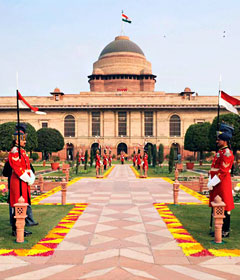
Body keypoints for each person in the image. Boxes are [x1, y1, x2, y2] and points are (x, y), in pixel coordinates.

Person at [8, 124, 36, 237]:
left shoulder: (22, 151)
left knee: (23, 203)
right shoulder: (15, 152)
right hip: (18, 181)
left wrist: (31, 176)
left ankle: (22, 227)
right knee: (17, 206)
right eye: (22, 139)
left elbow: (27, 167)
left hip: (23, 182)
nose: (25, 141)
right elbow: (18, 168)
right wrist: (27, 178)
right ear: (17, 140)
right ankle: (16, 229)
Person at [207, 123, 234, 238]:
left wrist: (212, 182)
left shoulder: (227, 153)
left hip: (221, 183)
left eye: (219, 139)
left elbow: (223, 171)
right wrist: (210, 179)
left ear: (225, 140)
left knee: (224, 205)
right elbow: (214, 168)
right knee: (217, 205)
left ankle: (225, 230)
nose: (217, 141)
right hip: (217, 182)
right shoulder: (220, 152)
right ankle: (219, 227)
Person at [3, 159, 38, 227]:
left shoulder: (10, 162)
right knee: (18, 202)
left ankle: (16, 221)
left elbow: (5, 173)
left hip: (17, 184)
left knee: (14, 203)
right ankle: (25, 221)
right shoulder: (21, 161)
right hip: (19, 184)